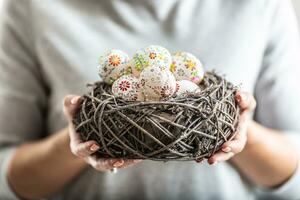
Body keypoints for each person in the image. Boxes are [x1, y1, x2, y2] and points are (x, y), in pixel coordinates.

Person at [0, 0, 299, 199]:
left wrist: (233, 128)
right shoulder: (31, 7)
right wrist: (78, 138)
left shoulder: (263, 5)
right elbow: (5, 174)